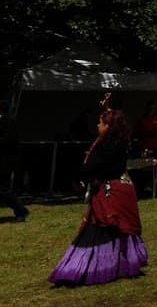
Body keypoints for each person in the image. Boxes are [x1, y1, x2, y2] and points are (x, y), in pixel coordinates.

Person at [49, 95, 147, 286]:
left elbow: (91, 167)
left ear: (108, 126)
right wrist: (107, 107)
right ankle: (120, 264)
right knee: (115, 231)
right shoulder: (117, 141)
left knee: (100, 231)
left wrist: (77, 175)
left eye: (100, 123)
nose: (97, 125)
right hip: (121, 190)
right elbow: (115, 121)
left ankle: (87, 269)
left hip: (111, 193)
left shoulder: (107, 145)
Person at [0, 101, 28, 222]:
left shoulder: (8, 123)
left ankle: (21, 210)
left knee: (3, 190)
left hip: (4, 162)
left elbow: (8, 141)